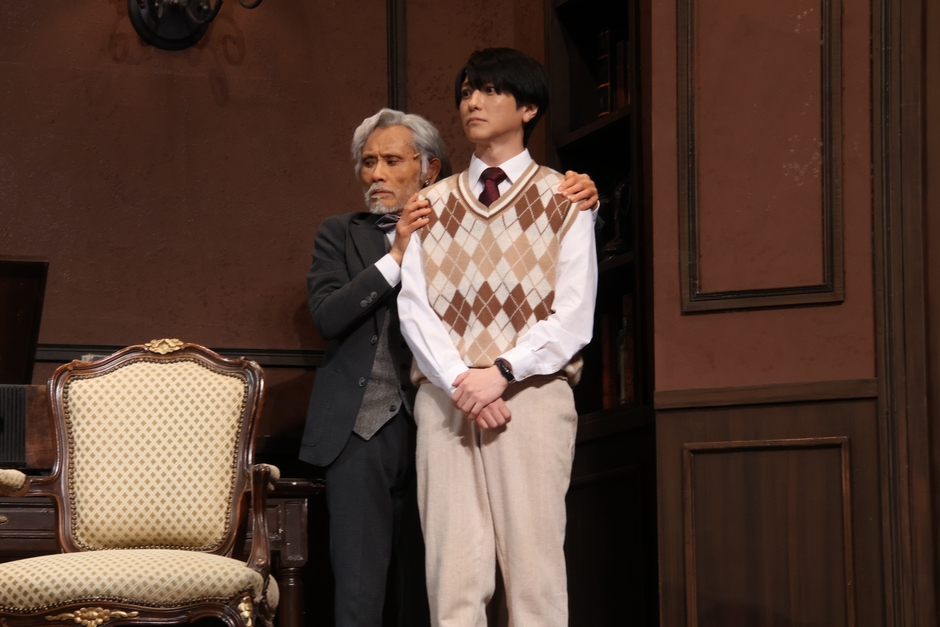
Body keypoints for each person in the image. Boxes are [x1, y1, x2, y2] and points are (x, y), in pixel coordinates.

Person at [299, 107, 597, 627]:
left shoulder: (463, 214)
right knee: (360, 593)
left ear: (429, 168)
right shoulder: (340, 233)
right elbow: (328, 315)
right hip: (361, 427)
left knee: (445, 581)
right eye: (368, 162)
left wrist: (588, 198)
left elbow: (534, 271)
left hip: (440, 417)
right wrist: (396, 255)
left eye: (392, 161)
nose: (376, 174)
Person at [397, 48, 598, 627]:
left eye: (488, 90)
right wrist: (463, 381)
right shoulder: (429, 205)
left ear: (528, 108)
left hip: (531, 396)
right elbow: (415, 310)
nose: (473, 103)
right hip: (446, 399)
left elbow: (574, 315)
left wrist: (502, 373)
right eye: (466, 92)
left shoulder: (565, 197)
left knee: (535, 576)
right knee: (453, 579)